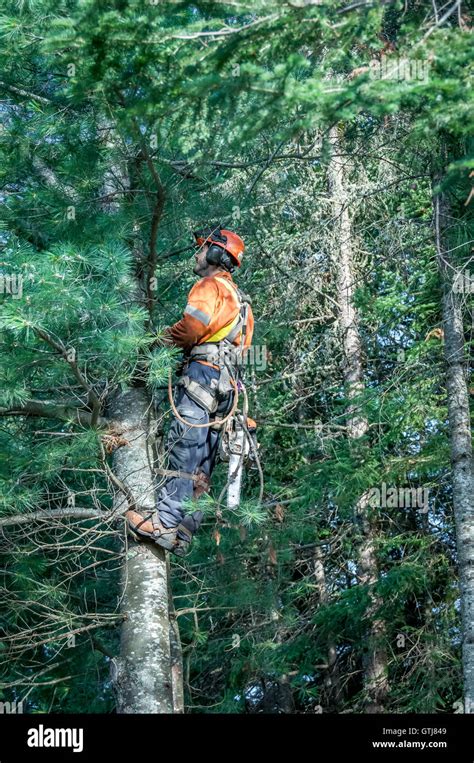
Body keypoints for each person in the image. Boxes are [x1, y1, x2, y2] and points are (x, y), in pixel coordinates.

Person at [126, 225, 254, 556]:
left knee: (182, 445)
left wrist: (158, 342)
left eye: (202, 250)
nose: (197, 255)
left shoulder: (210, 286)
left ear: (215, 254)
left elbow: (192, 327)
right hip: (226, 390)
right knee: (203, 461)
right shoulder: (242, 303)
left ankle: (165, 524)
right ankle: (185, 529)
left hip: (202, 377)